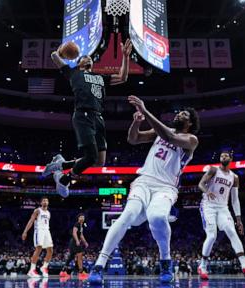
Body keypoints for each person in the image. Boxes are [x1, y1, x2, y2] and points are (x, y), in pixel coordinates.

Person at [88, 95, 200, 284]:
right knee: (126, 215)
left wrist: (145, 110)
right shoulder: (161, 131)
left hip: (166, 187)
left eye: (184, 114)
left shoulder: (191, 139)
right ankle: (99, 265)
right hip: (144, 181)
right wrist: (136, 123)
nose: (179, 114)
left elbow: (170, 137)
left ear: (190, 123)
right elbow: (133, 139)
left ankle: (165, 261)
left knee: (157, 217)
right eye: (179, 112)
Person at [46, 39, 132, 197]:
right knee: (91, 157)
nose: (88, 58)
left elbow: (123, 77)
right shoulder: (73, 73)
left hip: (98, 117)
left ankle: (62, 164)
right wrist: (62, 52)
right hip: (83, 115)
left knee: (99, 161)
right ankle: (63, 179)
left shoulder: (100, 77)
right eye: (84, 57)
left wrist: (125, 57)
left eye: (90, 58)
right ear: (79, 63)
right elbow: (53, 56)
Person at [197, 151, 245, 279]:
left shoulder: (234, 177)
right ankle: (202, 266)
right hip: (208, 206)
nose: (223, 157)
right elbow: (201, 184)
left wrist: (239, 219)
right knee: (212, 236)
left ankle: (244, 266)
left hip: (223, 208)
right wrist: (207, 191)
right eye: (221, 156)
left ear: (231, 159)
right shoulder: (213, 170)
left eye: (226, 156)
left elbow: (235, 200)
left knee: (232, 231)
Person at [22, 197, 53, 278]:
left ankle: (44, 267)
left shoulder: (49, 213)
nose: (45, 202)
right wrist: (25, 231)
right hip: (39, 231)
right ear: (41, 202)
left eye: (46, 200)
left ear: (48, 202)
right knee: (38, 248)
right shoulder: (37, 210)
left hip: (47, 231)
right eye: (43, 200)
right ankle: (32, 270)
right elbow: (31, 221)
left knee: (50, 250)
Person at [59, 213, 89, 280]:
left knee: (71, 257)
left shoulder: (81, 226)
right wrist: (77, 240)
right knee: (80, 255)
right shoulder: (77, 224)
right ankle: (81, 272)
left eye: (83, 217)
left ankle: (63, 271)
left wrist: (85, 242)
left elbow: (81, 235)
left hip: (74, 242)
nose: (82, 218)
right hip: (74, 242)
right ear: (78, 218)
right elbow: (74, 233)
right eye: (81, 217)